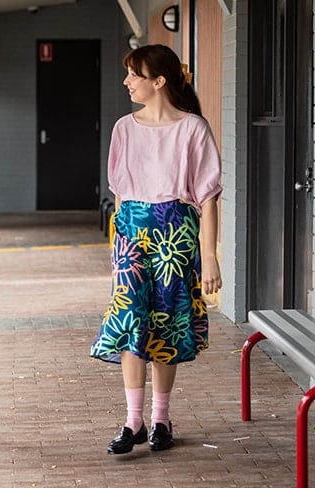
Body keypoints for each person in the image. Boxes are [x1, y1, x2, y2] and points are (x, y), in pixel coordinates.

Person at [90, 44, 222, 455]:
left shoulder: (193, 128)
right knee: (131, 320)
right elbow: (120, 192)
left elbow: (208, 197)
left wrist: (211, 254)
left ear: (159, 81)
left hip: (176, 235)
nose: (127, 82)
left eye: (135, 75)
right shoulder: (124, 128)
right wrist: (119, 248)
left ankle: (161, 418)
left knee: (165, 324)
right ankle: (133, 420)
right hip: (131, 234)